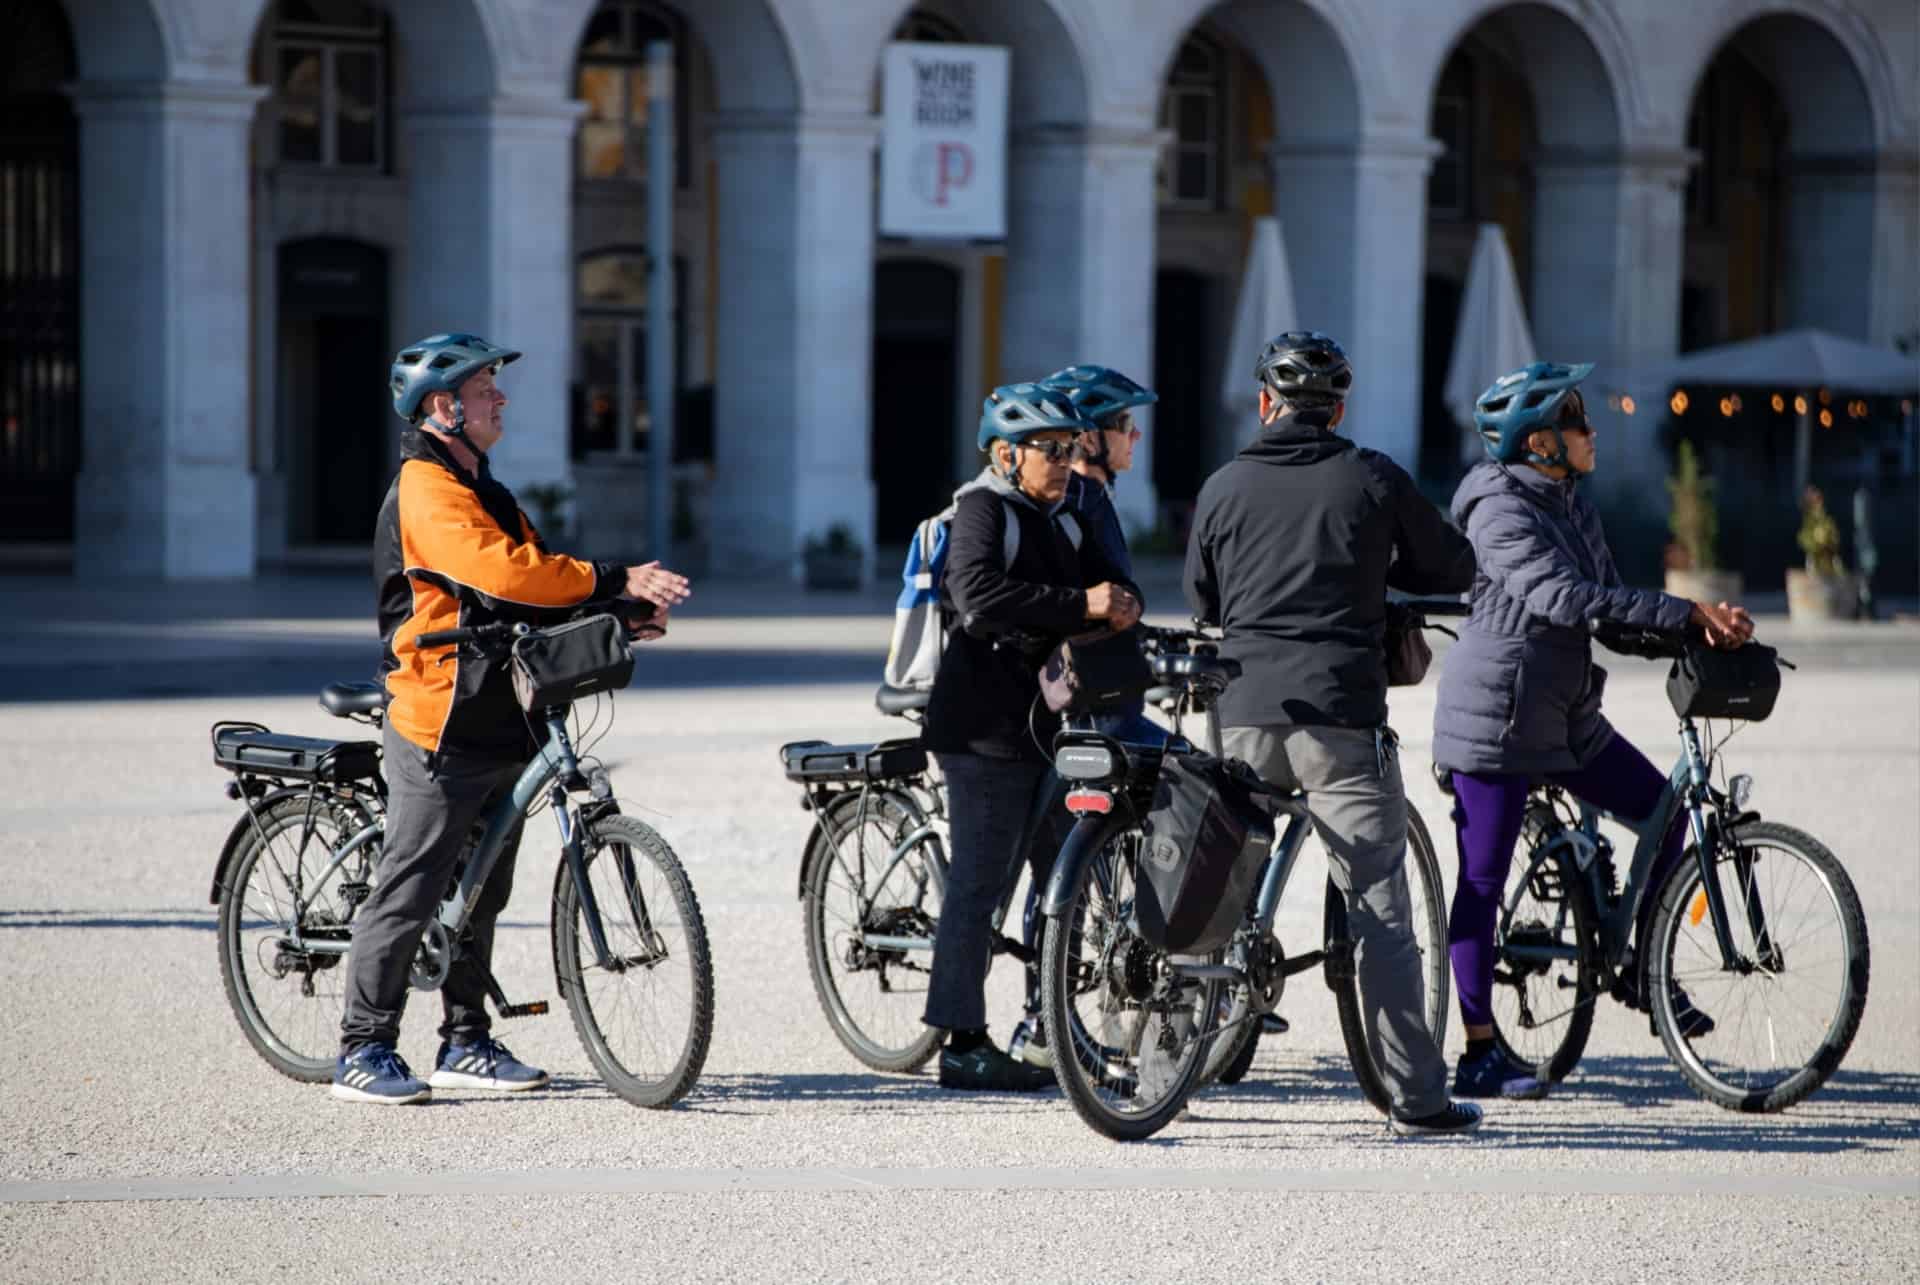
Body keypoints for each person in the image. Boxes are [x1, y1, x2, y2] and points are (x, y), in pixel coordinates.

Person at [332, 332, 691, 1105]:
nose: (500, 398)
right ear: (443, 406)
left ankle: (465, 1039)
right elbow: (503, 572)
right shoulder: (426, 489)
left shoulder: (484, 487)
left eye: (495, 385)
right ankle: (362, 1046)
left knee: (482, 887)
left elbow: (530, 584)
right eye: (486, 387)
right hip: (439, 715)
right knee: (413, 884)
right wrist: (616, 573)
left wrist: (619, 610)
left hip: (498, 708)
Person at [1185, 330, 1484, 1136]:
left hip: (1242, 714)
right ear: (1339, 409)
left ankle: (1180, 1049)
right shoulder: (1372, 477)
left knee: (1217, 885)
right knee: (1380, 909)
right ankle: (1416, 1097)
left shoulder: (1222, 487)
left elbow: (1203, 601)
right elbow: (1453, 566)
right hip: (1339, 718)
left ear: (1264, 405)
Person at [1434, 361, 1753, 1100]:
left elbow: (1607, 605)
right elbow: (1565, 598)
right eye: (1577, 420)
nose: (1592, 430)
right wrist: (1683, 611)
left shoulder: (1571, 500)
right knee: (1482, 879)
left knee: (1666, 811)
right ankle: (1479, 1050)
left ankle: (1646, 969)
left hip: (1567, 715)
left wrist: (1698, 632)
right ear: (1540, 440)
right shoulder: (1496, 508)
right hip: (1497, 720)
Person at [921, 382, 1144, 1091]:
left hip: (1047, 730)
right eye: (1049, 449)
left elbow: (1095, 594)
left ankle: (1054, 1029)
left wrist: (1121, 606)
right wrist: (1083, 603)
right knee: (979, 885)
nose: (1064, 460)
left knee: (1062, 880)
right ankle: (960, 1040)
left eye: (1072, 447)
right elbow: (977, 596)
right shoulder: (984, 508)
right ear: (1006, 452)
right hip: (983, 730)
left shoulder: (1063, 519)